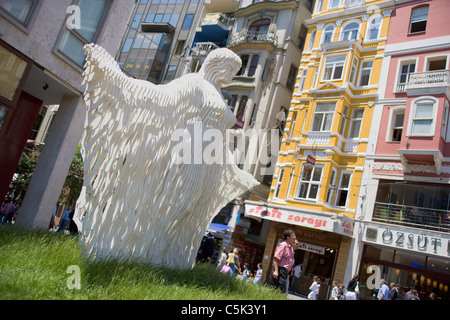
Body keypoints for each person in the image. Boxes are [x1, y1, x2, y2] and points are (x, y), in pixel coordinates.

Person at [272, 229, 296, 293]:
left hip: (285, 272)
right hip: (280, 270)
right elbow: (275, 258)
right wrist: (276, 271)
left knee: (281, 291)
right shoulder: (283, 245)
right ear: (288, 237)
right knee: (281, 291)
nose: (295, 237)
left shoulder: (290, 247)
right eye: (293, 236)